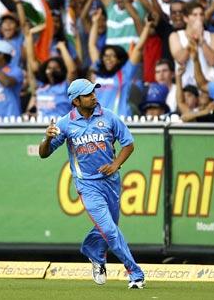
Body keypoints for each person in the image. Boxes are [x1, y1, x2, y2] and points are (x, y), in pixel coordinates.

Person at [38, 78, 145, 289]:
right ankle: (135, 272)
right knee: (110, 231)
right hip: (87, 185)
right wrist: (47, 139)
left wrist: (115, 164)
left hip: (111, 182)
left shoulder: (109, 117)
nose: (94, 96)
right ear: (76, 101)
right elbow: (44, 154)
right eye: (88, 94)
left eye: (94, 92)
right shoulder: (65, 123)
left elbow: (128, 144)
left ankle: (93, 252)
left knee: (109, 229)